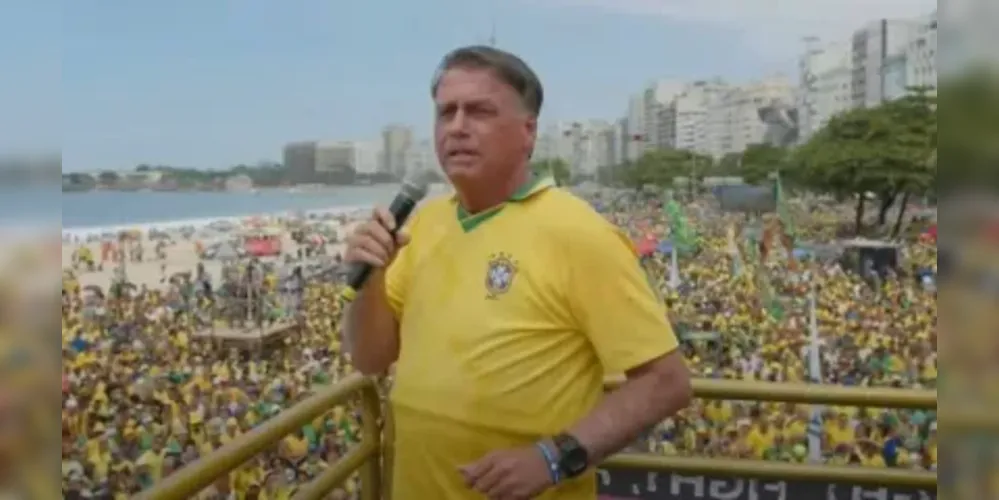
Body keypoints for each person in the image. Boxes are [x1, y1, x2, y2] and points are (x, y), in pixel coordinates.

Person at [343, 45, 692, 499]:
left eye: (480, 111)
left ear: (527, 132)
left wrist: (554, 457)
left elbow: (666, 382)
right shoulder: (424, 224)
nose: (458, 127)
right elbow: (369, 359)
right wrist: (369, 280)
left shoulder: (577, 231)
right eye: (446, 112)